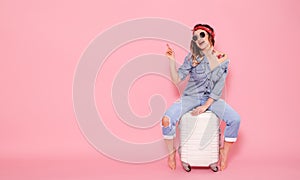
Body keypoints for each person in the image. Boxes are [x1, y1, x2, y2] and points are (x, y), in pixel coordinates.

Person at [162, 24, 240, 171]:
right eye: (195, 37)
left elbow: (219, 86)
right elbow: (177, 79)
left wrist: (206, 105)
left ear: (210, 36)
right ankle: (171, 153)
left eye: (202, 35)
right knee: (167, 120)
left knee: (235, 119)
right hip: (191, 97)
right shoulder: (192, 58)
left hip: (212, 99)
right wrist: (172, 60)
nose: (199, 39)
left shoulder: (222, 58)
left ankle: (224, 152)